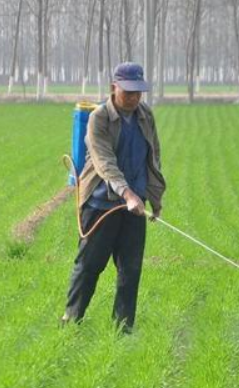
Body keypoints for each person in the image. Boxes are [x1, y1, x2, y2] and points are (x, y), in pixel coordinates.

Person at [61, 62, 167, 333]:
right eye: (128, 92)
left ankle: (123, 330)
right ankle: (72, 321)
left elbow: (152, 156)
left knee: (130, 271)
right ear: (113, 88)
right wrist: (127, 193)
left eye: (138, 92)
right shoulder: (99, 118)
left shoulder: (145, 115)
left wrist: (154, 197)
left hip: (133, 208)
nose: (133, 97)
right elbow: (104, 162)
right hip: (100, 205)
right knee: (89, 267)